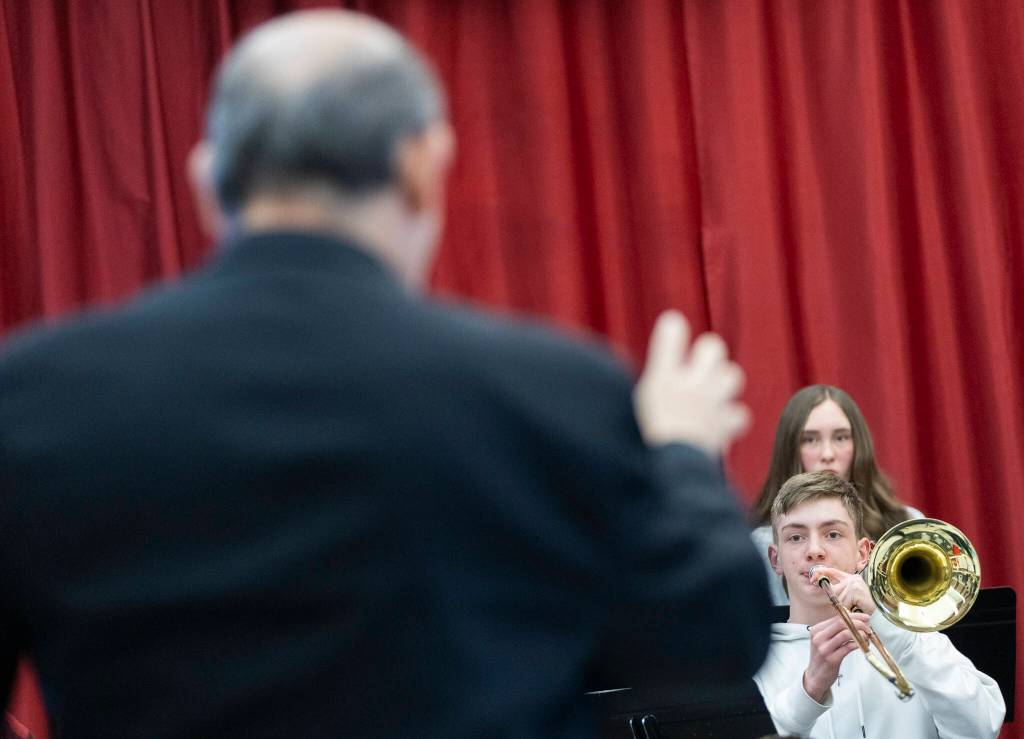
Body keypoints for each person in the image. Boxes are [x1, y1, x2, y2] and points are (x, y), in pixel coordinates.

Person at [0, 10, 771, 739]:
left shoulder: (33, 397)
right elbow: (714, 634)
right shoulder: (551, 392)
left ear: (208, 182)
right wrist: (676, 453)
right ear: (423, 167)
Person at [753, 471, 1004, 738]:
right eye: (796, 537)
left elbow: (982, 728)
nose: (815, 550)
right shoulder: (753, 661)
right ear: (775, 559)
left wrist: (897, 634)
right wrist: (810, 688)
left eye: (833, 534)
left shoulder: (916, 640)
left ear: (863, 554)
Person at [750, 385, 923, 604]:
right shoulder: (762, 542)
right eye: (810, 439)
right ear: (790, 449)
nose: (828, 454)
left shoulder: (907, 524)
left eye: (840, 438)